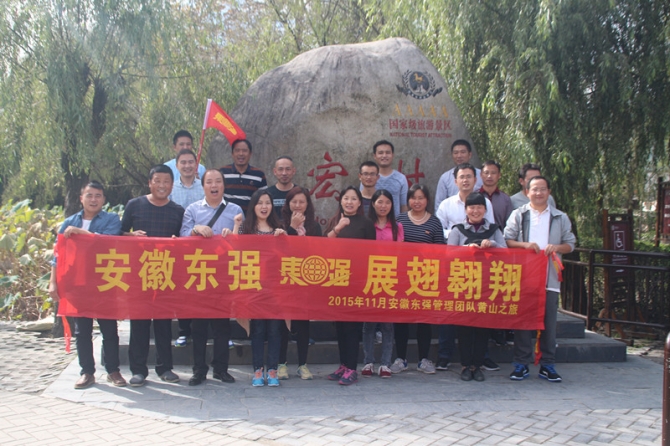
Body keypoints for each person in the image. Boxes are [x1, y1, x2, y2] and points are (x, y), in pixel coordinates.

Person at [48, 181, 126, 389]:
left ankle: (113, 371)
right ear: (81, 198)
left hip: (105, 281)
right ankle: (87, 372)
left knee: (109, 329)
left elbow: (107, 241)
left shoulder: (111, 219)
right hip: (78, 283)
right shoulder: (69, 222)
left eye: (98, 195)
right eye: (89, 195)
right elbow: (58, 255)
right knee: (82, 331)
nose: (93, 199)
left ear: (104, 199)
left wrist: (80, 234)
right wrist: (53, 282)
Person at [505, 176, 575, 382]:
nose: (538, 193)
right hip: (524, 278)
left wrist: (557, 247)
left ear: (549, 192)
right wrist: (525, 245)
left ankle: (548, 364)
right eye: (534, 189)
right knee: (523, 323)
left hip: (549, 278)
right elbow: (507, 240)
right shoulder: (519, 215)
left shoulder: (560, 217)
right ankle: (521, 364)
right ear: (527, 192)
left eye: (542, 189)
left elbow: (570, 244)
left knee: (549, 324)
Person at [121, 164, 184, 387]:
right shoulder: (134, 205)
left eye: (166, 182)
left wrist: (179, 242)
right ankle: (138, 370)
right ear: (150, 183)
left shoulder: (178, 211)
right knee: (139, 324)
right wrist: (130, 236)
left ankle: (164, 368)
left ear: (172, 185)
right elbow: (118, 234)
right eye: (157, 181)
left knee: (164, 325)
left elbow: (184, 241)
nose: (162, 185)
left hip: (165, 274)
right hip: (139, 275)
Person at [180, 169, 243, 386]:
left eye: (218, 181)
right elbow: (183, 237)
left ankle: (221, 369)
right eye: (209, 182)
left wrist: (233, 234)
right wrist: (195, 229)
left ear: (224, 185)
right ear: (203, 186)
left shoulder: (235, 210)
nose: (214, 185)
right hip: (199, 273)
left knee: (222, 326)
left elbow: (243, 241)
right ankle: (199, 370)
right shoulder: (192, 210)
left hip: (224, 275)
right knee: (198, 327)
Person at [434, 163, 495, 370]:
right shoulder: (446, 205)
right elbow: (439, 229)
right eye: (462, 177)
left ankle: (481, 357)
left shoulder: (485, 203)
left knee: (480, 313)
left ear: (475, 180)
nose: (466, 180)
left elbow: (491, 229)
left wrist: (484, 243)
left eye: (469, 176)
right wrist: (459, 237)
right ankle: (445, 355)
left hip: (482, 270)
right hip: (454, 268)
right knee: (451, 311)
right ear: (455, 181)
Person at [447, 192, 506, 382]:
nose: (475, 211)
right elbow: (448, 255)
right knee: (464, 328)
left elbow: (506, 253)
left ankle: (477, 365)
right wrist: (466, 250)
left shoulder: (494, 230)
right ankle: (465, 365)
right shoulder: (458, 230)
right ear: (466, 210)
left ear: (485, 210)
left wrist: (493, 244)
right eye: (471, 207)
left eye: (479, 207)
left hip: (487, 286)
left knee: (482, 327)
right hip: (463, 285)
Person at [325, 186, 376, 385]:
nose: (349, 202)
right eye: (346, 198)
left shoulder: (366, 223)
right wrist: (338, 228)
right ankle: (343, 364)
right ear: (341, 201)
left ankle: (352, 368)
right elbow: (323, 245)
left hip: (356, 281)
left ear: (359, 202)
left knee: (352, 326)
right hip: (337, 280)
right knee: (339, 326)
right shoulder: (334, 221)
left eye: (354, 199)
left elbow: (371, 254)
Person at [392, 184, 445, 375]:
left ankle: (424, 359)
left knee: (424, 320)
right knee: (401, 320)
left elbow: (440, 251)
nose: (417, 201)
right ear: (408, 200)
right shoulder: (400, 220)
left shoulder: (434, 222)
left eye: (421, 198)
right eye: (413, 198)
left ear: (427, 200)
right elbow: (393, 247)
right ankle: (401, 359)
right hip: (403, 278)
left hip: (426, 278)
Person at [239, 189, 287, 387]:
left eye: (267, 202)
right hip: (254, 286)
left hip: (275, 287)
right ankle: (258, 370)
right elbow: (237, 252)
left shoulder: (278, 227)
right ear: (253, 206)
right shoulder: (245, 228)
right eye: (260, 203)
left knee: (275, 330)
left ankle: (273, 370)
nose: (264, 206)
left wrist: (284, 237)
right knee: (258, 329)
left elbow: (287, 255)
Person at [277, 186, 322, 381]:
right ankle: (281, 364)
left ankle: (303, 364)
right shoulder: (279, 223)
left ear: (307, 204)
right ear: (288, 204)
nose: (297, 205)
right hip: (284, 281)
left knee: (303, 324)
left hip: (305, 282)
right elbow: (279, 249)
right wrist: (291, 228)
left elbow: (318, 251)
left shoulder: (314, 227)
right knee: (283, 325)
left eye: (301, 202)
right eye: (293, 201)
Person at [361, 189, 404, 379]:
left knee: (387, 324)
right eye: (379, 202)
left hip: (389, 278)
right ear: (373, 204)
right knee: (369, 323)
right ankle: (368, 361)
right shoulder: (367, 225)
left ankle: (385, 363)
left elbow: (401, 252)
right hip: (369, 278)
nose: (383, 206)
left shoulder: (397, 227)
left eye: (387, 202)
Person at [169, 148, 205, 348]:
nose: (187, 166)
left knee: (204, 287)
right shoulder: (171, 188)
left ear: (196, 164)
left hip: (205, 246)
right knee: (183, 288)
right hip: (180, 244)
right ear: (177, 166)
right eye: (183, 162)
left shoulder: (205, 186)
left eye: (191, 162)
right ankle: (184, 331)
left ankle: (205, 329)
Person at [219, 139, 267, 213]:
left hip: (250, 218)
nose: (241, 154)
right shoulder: (222, 173)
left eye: (244, 150)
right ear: (232, 154)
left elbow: (264, 199)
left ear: (250, 154)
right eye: (237, 150)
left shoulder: (259, 175)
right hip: (227, 216)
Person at [362, 140, 408, 216]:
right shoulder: (368, 178)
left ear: (392, 155)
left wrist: (402, 222)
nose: (384, 156)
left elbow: (403, 205)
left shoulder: (401, 178)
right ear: (374, 156)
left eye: (388, 152)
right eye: (380, 153)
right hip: (372, 221)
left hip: (394, 221)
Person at [435, 139, 483, 210]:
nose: (459, 156)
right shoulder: (445, 178)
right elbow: (439, 205)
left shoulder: (481, 175)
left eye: (463, 152)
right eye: (456, 153)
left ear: (470, 155)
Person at [478, 160, 513, 230]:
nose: (489, 176)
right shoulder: (474, 196)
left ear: (499, 175)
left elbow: (509, 224)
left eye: (493, 173)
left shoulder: (505, 199)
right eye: (486, 173)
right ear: (481, 175)